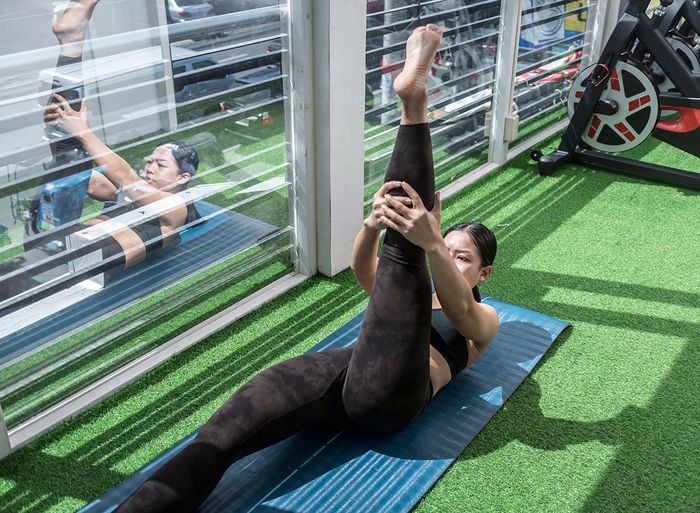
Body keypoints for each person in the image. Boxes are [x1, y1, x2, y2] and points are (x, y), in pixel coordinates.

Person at [113, 24, 499, 512]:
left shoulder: (484, 322)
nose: (451, 255)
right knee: (225, 430)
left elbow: (458, 306)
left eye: (463, 256)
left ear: (483, 273)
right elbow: (365, 272)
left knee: (405, 258)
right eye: (449, 246)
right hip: (347, 372)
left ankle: (413, 103)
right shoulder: (416, 283)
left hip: (395, 395)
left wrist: (427, 245)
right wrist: (372, 223)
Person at [0, 0, 201, 308]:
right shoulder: (125, 197)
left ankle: (71, 42)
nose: (149, 167)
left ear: (183, 177)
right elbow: (81, 174)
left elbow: (128, 180)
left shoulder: (177, 210)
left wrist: (82, 132)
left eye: (160, 165)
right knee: (69, 149)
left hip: (68, 266)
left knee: (74, 141)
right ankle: (71, 44)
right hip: (52, 247)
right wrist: (70, 130)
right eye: (149, 161)